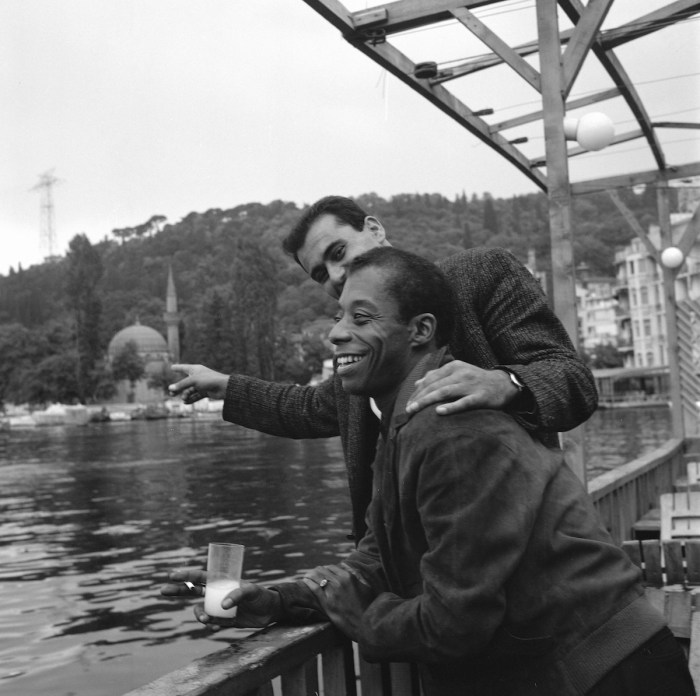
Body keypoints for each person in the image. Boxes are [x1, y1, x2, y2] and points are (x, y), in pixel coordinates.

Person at [162, 247, 692, 696]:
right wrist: (280, 599)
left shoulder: (454, 431)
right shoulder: (403, 425)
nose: (336, 334)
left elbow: (454, 624)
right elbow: (375, 560)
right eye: (338, 314)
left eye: (361, 318)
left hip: (607, 676)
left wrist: (361, 619)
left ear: (421, 331)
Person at [169, 195, 598, 541]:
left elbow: (571, 379)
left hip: (517, 563)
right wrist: (226, 386)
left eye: (339, 252)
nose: (336, 274)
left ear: (374, 228)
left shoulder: (480, 275)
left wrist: (504, 382)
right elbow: (307, 408)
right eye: (320, 274)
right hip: (405, 587)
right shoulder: (364, 353)